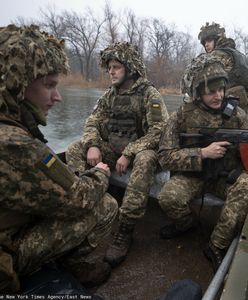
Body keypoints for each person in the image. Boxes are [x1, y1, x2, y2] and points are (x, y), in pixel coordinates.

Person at [0, 24, 118, 293]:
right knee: (104, 205)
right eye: (49, 85)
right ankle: (69, 265)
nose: (58, 97)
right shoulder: (14, 143)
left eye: (116, 68)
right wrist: (97, 166)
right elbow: (80, 200)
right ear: (16, 84)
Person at [66, 41, 169, 267]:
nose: (110, 72)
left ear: (130, 69)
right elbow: (92, 121)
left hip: (142, 154)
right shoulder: (109, 95)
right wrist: (93, 144)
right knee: (75, 148)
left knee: (146, 158)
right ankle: (85, 204)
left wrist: (130, 152)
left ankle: (125, 229)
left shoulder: (149, 95)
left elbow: (159, 132)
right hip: (115, 150)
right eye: (109, 68)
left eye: (116, 67)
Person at [157, 54, 248, 272]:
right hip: (193, 176)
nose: (218, 96)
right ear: (198, 92)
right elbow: (165, 156)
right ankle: (188, 225)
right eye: (211, 91)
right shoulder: (181, 116)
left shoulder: (237, 115)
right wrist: (202, 153)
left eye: (221, 89)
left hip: (224, 177)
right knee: (168, 198)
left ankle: (216, 245)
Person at [198, 22, 248, 113]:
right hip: (242, 99)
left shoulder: (217, 55)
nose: (206, 45)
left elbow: (205, 81)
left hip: (231, 103)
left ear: (217, 40)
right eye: (204, 42)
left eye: (209, 40)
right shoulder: (237, 54)